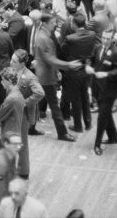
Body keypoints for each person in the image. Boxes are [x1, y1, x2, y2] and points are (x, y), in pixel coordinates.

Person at [33, 13, 80, 141]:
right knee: (54, 105)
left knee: (36, 102)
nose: (56, 24)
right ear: (46, 24)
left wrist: (58, 70)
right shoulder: (44, 38)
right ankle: (62, 133)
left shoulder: (44, 35)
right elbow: (50, 59)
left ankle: (30, 127)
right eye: (53, 22)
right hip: (46, 77)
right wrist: (68, 65)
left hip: (46, 74)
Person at [90, 27, 117, 156]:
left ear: (112, 39)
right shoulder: (98, 47)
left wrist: (107, 74)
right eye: (103, 37)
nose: (105, 40)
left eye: (108, 39)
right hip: (97, 88)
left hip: (109, 90)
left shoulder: (116, 52)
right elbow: (93, 61)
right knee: (106, 113)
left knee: (102, 117)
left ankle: (97, 144)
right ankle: (114, 136)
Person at [0, 67, 27, 177]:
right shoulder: (17, 94)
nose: (1, 82)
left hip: (9, 135)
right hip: (15, 132)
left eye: (3, 80)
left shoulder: (11, 99)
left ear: (8, 81)